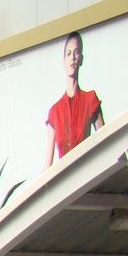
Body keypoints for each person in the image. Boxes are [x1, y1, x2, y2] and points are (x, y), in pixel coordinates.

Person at [44, 31, 104, 169]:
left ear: (81, 59)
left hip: (86, 174)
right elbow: (48, 165)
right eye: (68, 53)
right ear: (63, 60)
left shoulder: (90, 100)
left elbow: (104, 142)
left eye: (76, 53)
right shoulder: (55, 111)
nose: (72, 58)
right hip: (64, 180)